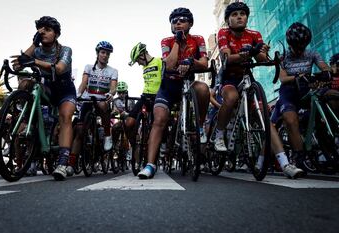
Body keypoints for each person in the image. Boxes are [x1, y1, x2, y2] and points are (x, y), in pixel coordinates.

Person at [215, 3, 303, 178]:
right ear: (227, 20)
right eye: (234, 14)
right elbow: (227, 58)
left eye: (242, 14)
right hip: (229, 78)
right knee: (231, 97)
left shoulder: (255, 34)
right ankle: (219, 134)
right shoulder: (223, 33)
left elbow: (262, 58)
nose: (239, 17)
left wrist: (262, 52)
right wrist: (245, 54)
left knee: (266, 120)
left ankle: (285, 164)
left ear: (247, 18)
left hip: (247, 77)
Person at [137, 7, 210, 179]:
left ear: (190, 23)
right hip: (168, 87)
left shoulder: (198, 39)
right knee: (159, 119)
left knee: (204, 89)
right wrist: (178, 41)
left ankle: (199, 128)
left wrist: (190, 61)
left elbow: (205, 64)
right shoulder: (167, 41)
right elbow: (169, 65)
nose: (178, 22)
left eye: (183, 20)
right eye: (174, 21)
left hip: (188, 85)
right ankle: (150, 165)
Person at [11, 16, 76, 180]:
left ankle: (62, 162)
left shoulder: (65, 50)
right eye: (40, 30)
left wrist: (33, 61)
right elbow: (18, 64)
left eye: (47, 30)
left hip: (64, 88)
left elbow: (60, 68)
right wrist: (33, 45)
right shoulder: (37, 50)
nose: (42, 32)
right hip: (47, 87)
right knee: (26, 83)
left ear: (56, 34)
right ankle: (27, 120)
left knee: (66, 116)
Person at [271, 22, 332, 173]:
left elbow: (324, 67)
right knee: (290, 120)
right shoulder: (283, 57)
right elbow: (283, 79)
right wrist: (298, 76)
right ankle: (299, 157)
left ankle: (326, 145)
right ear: (290, 44)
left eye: (302, 46)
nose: (299, 50)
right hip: (289, 92)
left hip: (305, 90)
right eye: (296, 46)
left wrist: (326, 72)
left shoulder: (312, 53)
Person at [66, 41, 118, 176]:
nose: (105, 55)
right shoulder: (89, 67)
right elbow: (84, 83)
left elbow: (113, 87)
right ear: (97, 53)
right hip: (88, 98)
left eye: (107, 53)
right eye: (103, 52)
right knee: (79, 131)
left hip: (102, 99)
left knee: (102, 105)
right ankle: (71, 164)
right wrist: (78, 94)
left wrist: (110, 94)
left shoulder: (113, 71)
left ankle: (107, 134)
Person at [125, 42, 163, 158]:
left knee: (161, 122)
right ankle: (134, 146)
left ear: (142, 55)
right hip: (144, 96)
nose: (138, 63)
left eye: (138, 60)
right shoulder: (144, 67)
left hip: (158, 97)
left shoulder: (159, 61)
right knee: (129, 123)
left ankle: (162, 144)